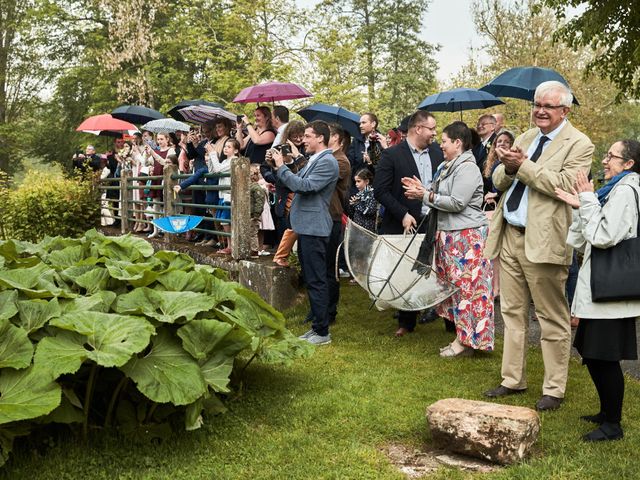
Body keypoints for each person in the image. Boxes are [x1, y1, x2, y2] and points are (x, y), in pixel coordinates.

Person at [483, 80, 594, 411]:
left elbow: (563, 185)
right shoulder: (526, 137)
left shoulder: (580, 144)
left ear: (565, 110)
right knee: (512, 313)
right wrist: (506, 165)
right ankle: (512, 380)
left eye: (548, 106)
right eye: (537, 104)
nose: (540, 111)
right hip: (512, 234)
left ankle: (554, 388)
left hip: (545, 241)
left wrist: (523, 166)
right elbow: (501, 182)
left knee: (551, 317)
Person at [555, 140, 640, 441]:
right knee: (592, 353)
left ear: (628, 164)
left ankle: (613, 425)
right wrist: (583, 202)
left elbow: (605, 236)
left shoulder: (627, 191)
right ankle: (606, 412)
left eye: (611, 156)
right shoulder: (611, 190)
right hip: (598, 290)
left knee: (605, 356)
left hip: (611, 292)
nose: (605, 161)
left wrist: (588, 200)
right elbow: (583, 238)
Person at [402, 121, 494, 357]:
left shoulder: (468, 169)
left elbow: (456, 202)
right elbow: (439, 194)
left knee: (468, 292)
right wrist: (422, 189)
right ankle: (462, 339)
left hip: (466, 238)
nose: (440, 145)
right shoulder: (448, 166)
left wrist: (425, 195)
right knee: (457, 291)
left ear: (457, 143)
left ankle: (467, 343)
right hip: (450, 237)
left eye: (444, 141)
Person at [373, 110, 444, 337]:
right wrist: (402, 213)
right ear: (418, 129)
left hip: (434, 220)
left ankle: (446, 318)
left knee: (438, 269)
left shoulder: (437, 152)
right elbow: (380, 191)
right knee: (406, 271)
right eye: (431, 129)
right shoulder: (392, 155)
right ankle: (406, 321)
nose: (435, 133)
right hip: (406, 224)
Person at [272, 121, 339, 345]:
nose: (304, 140)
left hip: (314, 228)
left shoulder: (328, 162)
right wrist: (286, 163)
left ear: (320, 138)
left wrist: (281, 166)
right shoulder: (315, 159)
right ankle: (317, 326)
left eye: (308, 136)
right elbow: (300, 178)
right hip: (306, 227)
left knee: (317, 280)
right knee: (311, 279)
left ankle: (322, 333)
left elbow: (305, 186)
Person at [146, 133, 175, 239]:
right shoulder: (156, 150)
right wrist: (148, 155)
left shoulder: (171, 150)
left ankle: (166, 229)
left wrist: (153, 153)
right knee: (155, 206)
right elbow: (148, 162)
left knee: (167, 205)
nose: (159, 141)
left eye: (162, 139)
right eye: (158, 139)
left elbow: (164, 162)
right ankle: (155, 230)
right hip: (156, 178)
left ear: (167, 139)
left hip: (165, 179)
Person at [249, 165, 267, 255]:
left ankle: (254, 250)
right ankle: (250, 249)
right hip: (249, 214)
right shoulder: (249, 187)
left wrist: (256, 214)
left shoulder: (256, 188)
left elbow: (259, 202)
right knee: (249, 232)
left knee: (252, 232)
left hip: (253, 215)